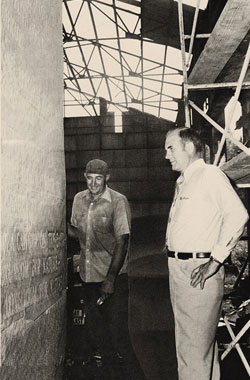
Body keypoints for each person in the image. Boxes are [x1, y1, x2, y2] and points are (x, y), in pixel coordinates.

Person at [164, 127, 248, 380]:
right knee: (198, 350)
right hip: (182, 270)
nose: (166, 155)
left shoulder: (209, 175)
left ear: (189, 147)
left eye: (170, 148)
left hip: (197, 270)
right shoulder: (185, 181)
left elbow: (238, 216)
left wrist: (214, 261)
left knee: (192, 350)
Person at [68, 159, 131, 377]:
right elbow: (75, 230)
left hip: (111, 277)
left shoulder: (117, 201)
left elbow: (123, 241)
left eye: (99, 179)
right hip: (88, 276)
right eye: (89, 178)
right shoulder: (79, 199)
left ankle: (121, 371)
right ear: (85, 176)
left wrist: (110, 279)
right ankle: (106, 369)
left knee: (116, 331)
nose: (93, 184)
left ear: (107, 178)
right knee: (96, 329)